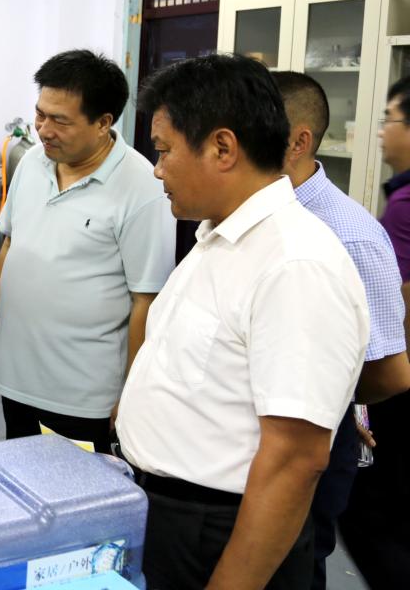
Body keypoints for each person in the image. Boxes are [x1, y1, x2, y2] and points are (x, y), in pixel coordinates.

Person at [117, 53, 368, 589]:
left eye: (164, 150)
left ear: (223, 148)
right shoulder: (220, 238)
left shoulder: (295, 263)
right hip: (169, 517)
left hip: (220, 533)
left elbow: (294, 459)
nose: (157, 169)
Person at [0, 50, 174, 454]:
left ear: (104, 122)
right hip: (16, 377)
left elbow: (146, 300)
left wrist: (131, 392)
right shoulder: (32, 162)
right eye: (40, 114)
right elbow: (10, 243)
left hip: (81, 395)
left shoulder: (142, 186)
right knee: (18, 478)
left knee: (72, 491)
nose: (44, 130)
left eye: (60, 121)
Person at [272, 71, 410, 589]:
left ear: (298, 141)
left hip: (316, 444)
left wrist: (337, 398)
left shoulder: (349, 235)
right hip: (265, 439)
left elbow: (388, 372)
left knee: (297, 565)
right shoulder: (260, 215)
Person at [337, 75, 410, 586]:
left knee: (372, 515)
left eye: (391, 119)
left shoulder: (403, 207)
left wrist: (356, 405)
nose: (382, 131)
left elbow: (397, 312)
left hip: (398, 390)